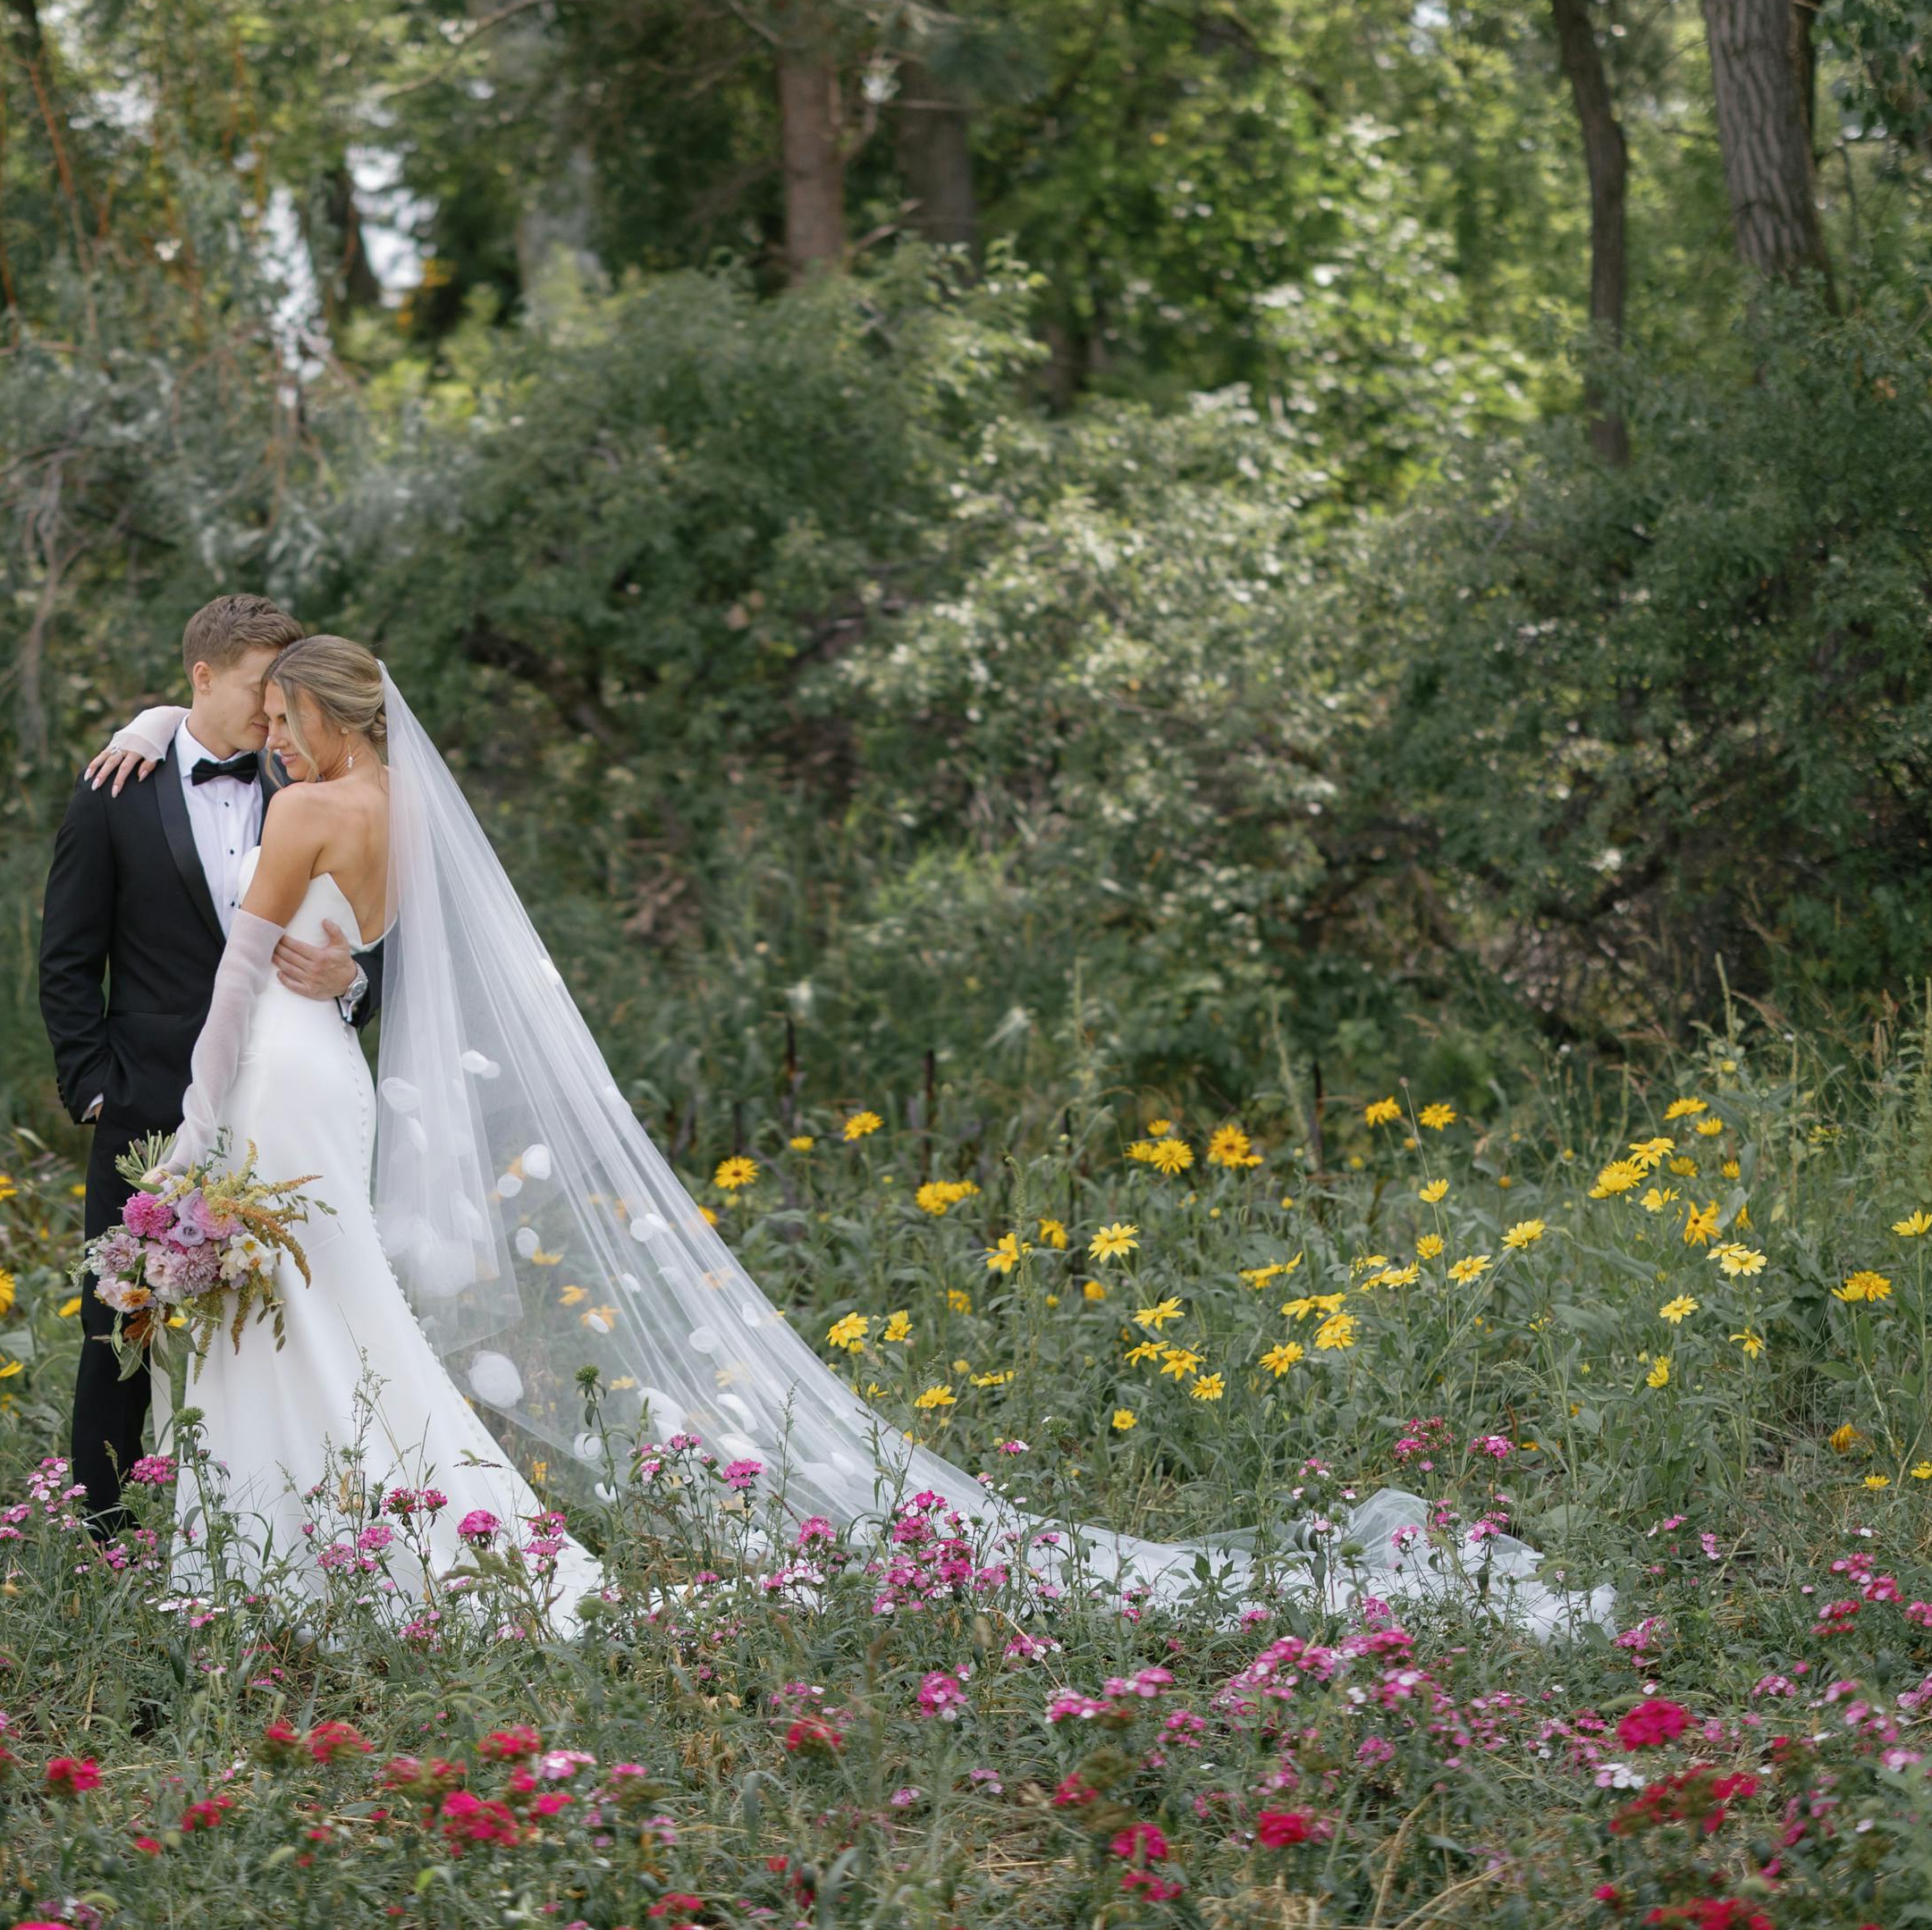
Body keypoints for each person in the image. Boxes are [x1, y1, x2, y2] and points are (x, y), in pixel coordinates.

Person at [81, 645, 1612, 1634]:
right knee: (336, 1312)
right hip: (337, 1067)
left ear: (313, 715)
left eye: (276, 716)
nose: (265, 735)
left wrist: (196, 1135)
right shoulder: (412, 805)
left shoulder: (297, 818)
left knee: (301, 1313)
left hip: (277, 1071)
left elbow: (231, 982)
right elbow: (373, 953)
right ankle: (337, 1552)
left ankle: (300, 1562)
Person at [37, 594, 384, 1536]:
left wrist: (353, 977)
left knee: (304, 1314)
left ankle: (313, 1525)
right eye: (255, 690)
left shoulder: (312, 776)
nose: (274, 715)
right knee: (117, 1324)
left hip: (287, 1102)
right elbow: (68, 951)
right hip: (147, 1097)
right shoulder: (117, 785)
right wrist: (91, 1082)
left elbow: (376, 924)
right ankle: (104, 1531)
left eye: (284, 694)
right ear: (199, 676)